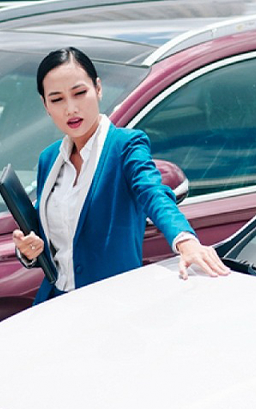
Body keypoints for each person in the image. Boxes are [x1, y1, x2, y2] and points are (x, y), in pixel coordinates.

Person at [12, 47, 230, 303]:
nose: (70, 108)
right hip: (55, 302)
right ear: (45, 105)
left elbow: (153, 193)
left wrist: (185, 240)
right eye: (57, 99)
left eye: (79, 93)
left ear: (98, 88)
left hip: (114, 303)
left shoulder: (125, 145)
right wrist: (27, 251)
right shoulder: (49, 159)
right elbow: (50, 233)